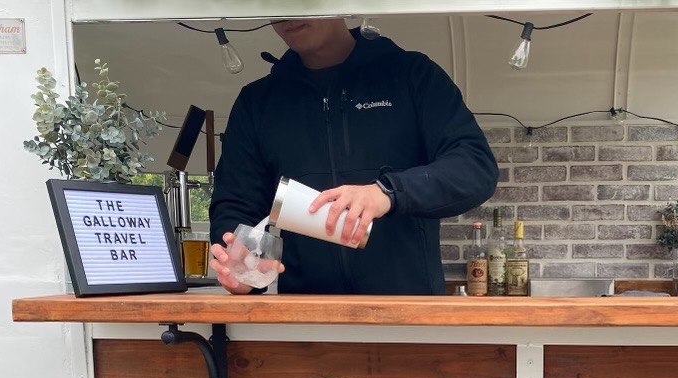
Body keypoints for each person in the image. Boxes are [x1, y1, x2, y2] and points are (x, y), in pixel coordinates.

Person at [209, 18, 499, 295]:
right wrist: (238, 266)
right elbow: (237, 202)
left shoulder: (412, 75)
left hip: (408, 311)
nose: (288, 15)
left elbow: (475, 166)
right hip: (305, 315)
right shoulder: (258, 102)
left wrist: (388, 192)